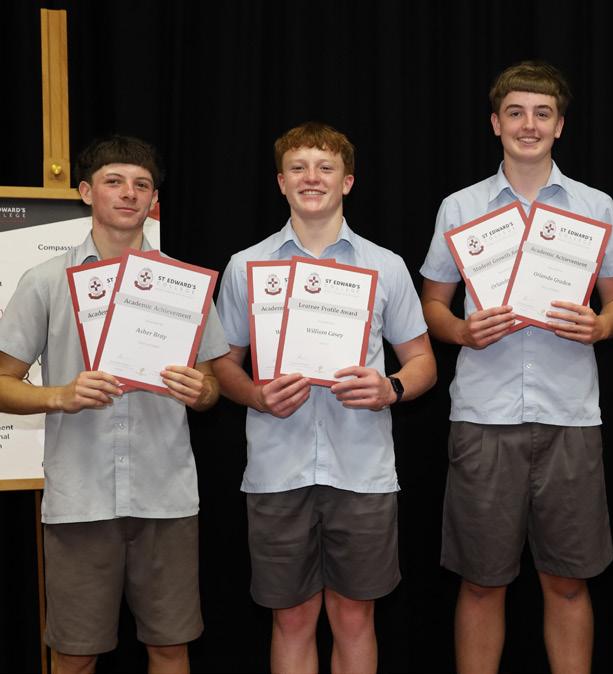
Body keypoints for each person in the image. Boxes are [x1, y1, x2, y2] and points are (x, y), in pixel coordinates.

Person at [419, 60, 613, 673]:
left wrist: (601, 325)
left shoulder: (595, 205)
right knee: (481, 582)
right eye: (515, 113)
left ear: (560, 125)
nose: (528, 125)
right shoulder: (460, 207)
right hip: (484, 416)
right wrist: (461, 330)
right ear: (496, 123)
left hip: (570, 416)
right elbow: (431, 306)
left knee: (567, 582)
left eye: (542, 113)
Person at [212, 121, 436, 674]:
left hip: (361, 470)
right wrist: (256, 396)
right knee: (291, 619)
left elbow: (424, 363)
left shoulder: (384, 265)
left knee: (355, 617)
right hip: (277, 471)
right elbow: (221, 366)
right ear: (280, 182)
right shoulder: (245, 266)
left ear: (347, 181)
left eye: (325, 167)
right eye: (298, 168)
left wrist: (391, 388)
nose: (311, 178)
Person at [0, 135, 227, 674]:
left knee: (170, 648)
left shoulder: (184, 284)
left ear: (154, 200)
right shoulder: (45, 281)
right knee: (75, 655)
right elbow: (3, 380)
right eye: (114, 182)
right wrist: (60, 395)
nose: (129, 193)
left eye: (142, 185)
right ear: (86, 192)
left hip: (165, 498)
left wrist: (202, 392)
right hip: (81, 500)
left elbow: (212, 383)